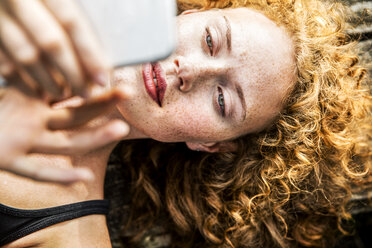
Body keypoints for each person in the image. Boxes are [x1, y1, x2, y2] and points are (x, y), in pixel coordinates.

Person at [0, 0, 370, 247]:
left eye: (222, 99)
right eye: (210, 40)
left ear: (210, 143)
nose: (189, 71)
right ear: (190, 15)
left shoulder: (69, 238)